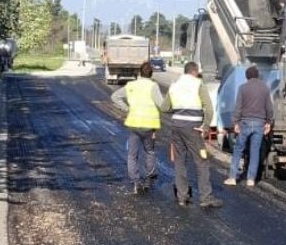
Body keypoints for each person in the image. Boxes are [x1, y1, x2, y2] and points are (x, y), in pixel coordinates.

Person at [164, 61, 223, 208]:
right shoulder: (198, 84)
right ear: (195, 72)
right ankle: (205, 197)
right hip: (193, 129)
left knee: (179, 161)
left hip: (176, 127)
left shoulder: (174, 86)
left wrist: (179, 112)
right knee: (201, 161)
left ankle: (182, 197)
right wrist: (206, 126)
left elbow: (164, 107)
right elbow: (209, 108)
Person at [110, 61, 166, 194]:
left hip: (134, 124)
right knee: (149, 151)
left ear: (140, 73)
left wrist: (127, 108)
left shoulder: (131, 85)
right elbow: (161, 104)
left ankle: (135, 182)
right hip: (149, 126)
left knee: (132, 154)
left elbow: (114, 96)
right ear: (151, 74)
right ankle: (148, 179)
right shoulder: (153, 86)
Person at [225, 65, 273, 187]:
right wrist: (268, 123)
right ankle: (251, 179)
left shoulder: (243, 88)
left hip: (245, 123)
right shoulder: (265, 88)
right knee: (255, 151)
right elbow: (269, 108)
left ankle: (232, 177)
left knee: (238, 150)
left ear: (247, 77)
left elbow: (238, 107)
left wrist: (235, 123)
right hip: (259, 123)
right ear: (257, 76)